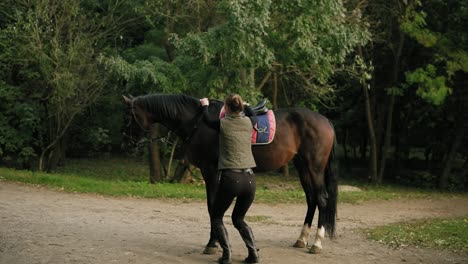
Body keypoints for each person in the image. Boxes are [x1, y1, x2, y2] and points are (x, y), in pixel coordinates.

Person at [200, 94, 260, 264]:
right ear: (240, 107)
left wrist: (205, 105)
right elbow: (253, 115)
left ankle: (227, 256)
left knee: (217, 217)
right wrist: (246, 106)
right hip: (250, 180)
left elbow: (207, 120)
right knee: (238, 219)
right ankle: (253, 254)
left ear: (225, 108)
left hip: (231, 179)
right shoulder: (250, 122)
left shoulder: (222, 124)